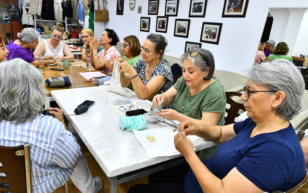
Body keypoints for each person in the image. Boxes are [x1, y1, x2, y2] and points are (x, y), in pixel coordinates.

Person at [129, 59, 306, 193]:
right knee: (158, 171)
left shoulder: (275, 151)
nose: (243, 96)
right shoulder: (257, 122)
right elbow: (221, 133)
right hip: (200, 176)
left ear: (277, 98)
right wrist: (197, 126)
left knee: (135, 190)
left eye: (250, 92)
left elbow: (221, 190)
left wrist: (189, 153)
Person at [0, 59, 103, 193]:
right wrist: (62, 126)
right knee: (75, 151)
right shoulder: (49, 128)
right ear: (34, 91)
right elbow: (71, 158)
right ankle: (90, 188)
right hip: (32, 186)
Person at [152, 48, 225, 160]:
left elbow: (208, 126)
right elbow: (168, 96)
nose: (185, 75)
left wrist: (178, 116)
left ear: (206, 71)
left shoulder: (214, 91)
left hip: (202, 149)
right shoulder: (184, 81)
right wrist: (160, 98)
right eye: (184, 70)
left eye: (191, 71)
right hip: (178, 137)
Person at [118, 34, 173, 100]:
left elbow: (145, 95)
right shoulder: (142, 62)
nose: (143, 53)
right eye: (143, 48)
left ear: (159, 53)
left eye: (147, 51)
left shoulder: (163, 69)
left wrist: (131, 71)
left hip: (156, 109)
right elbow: (125, 83)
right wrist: (120, 69)